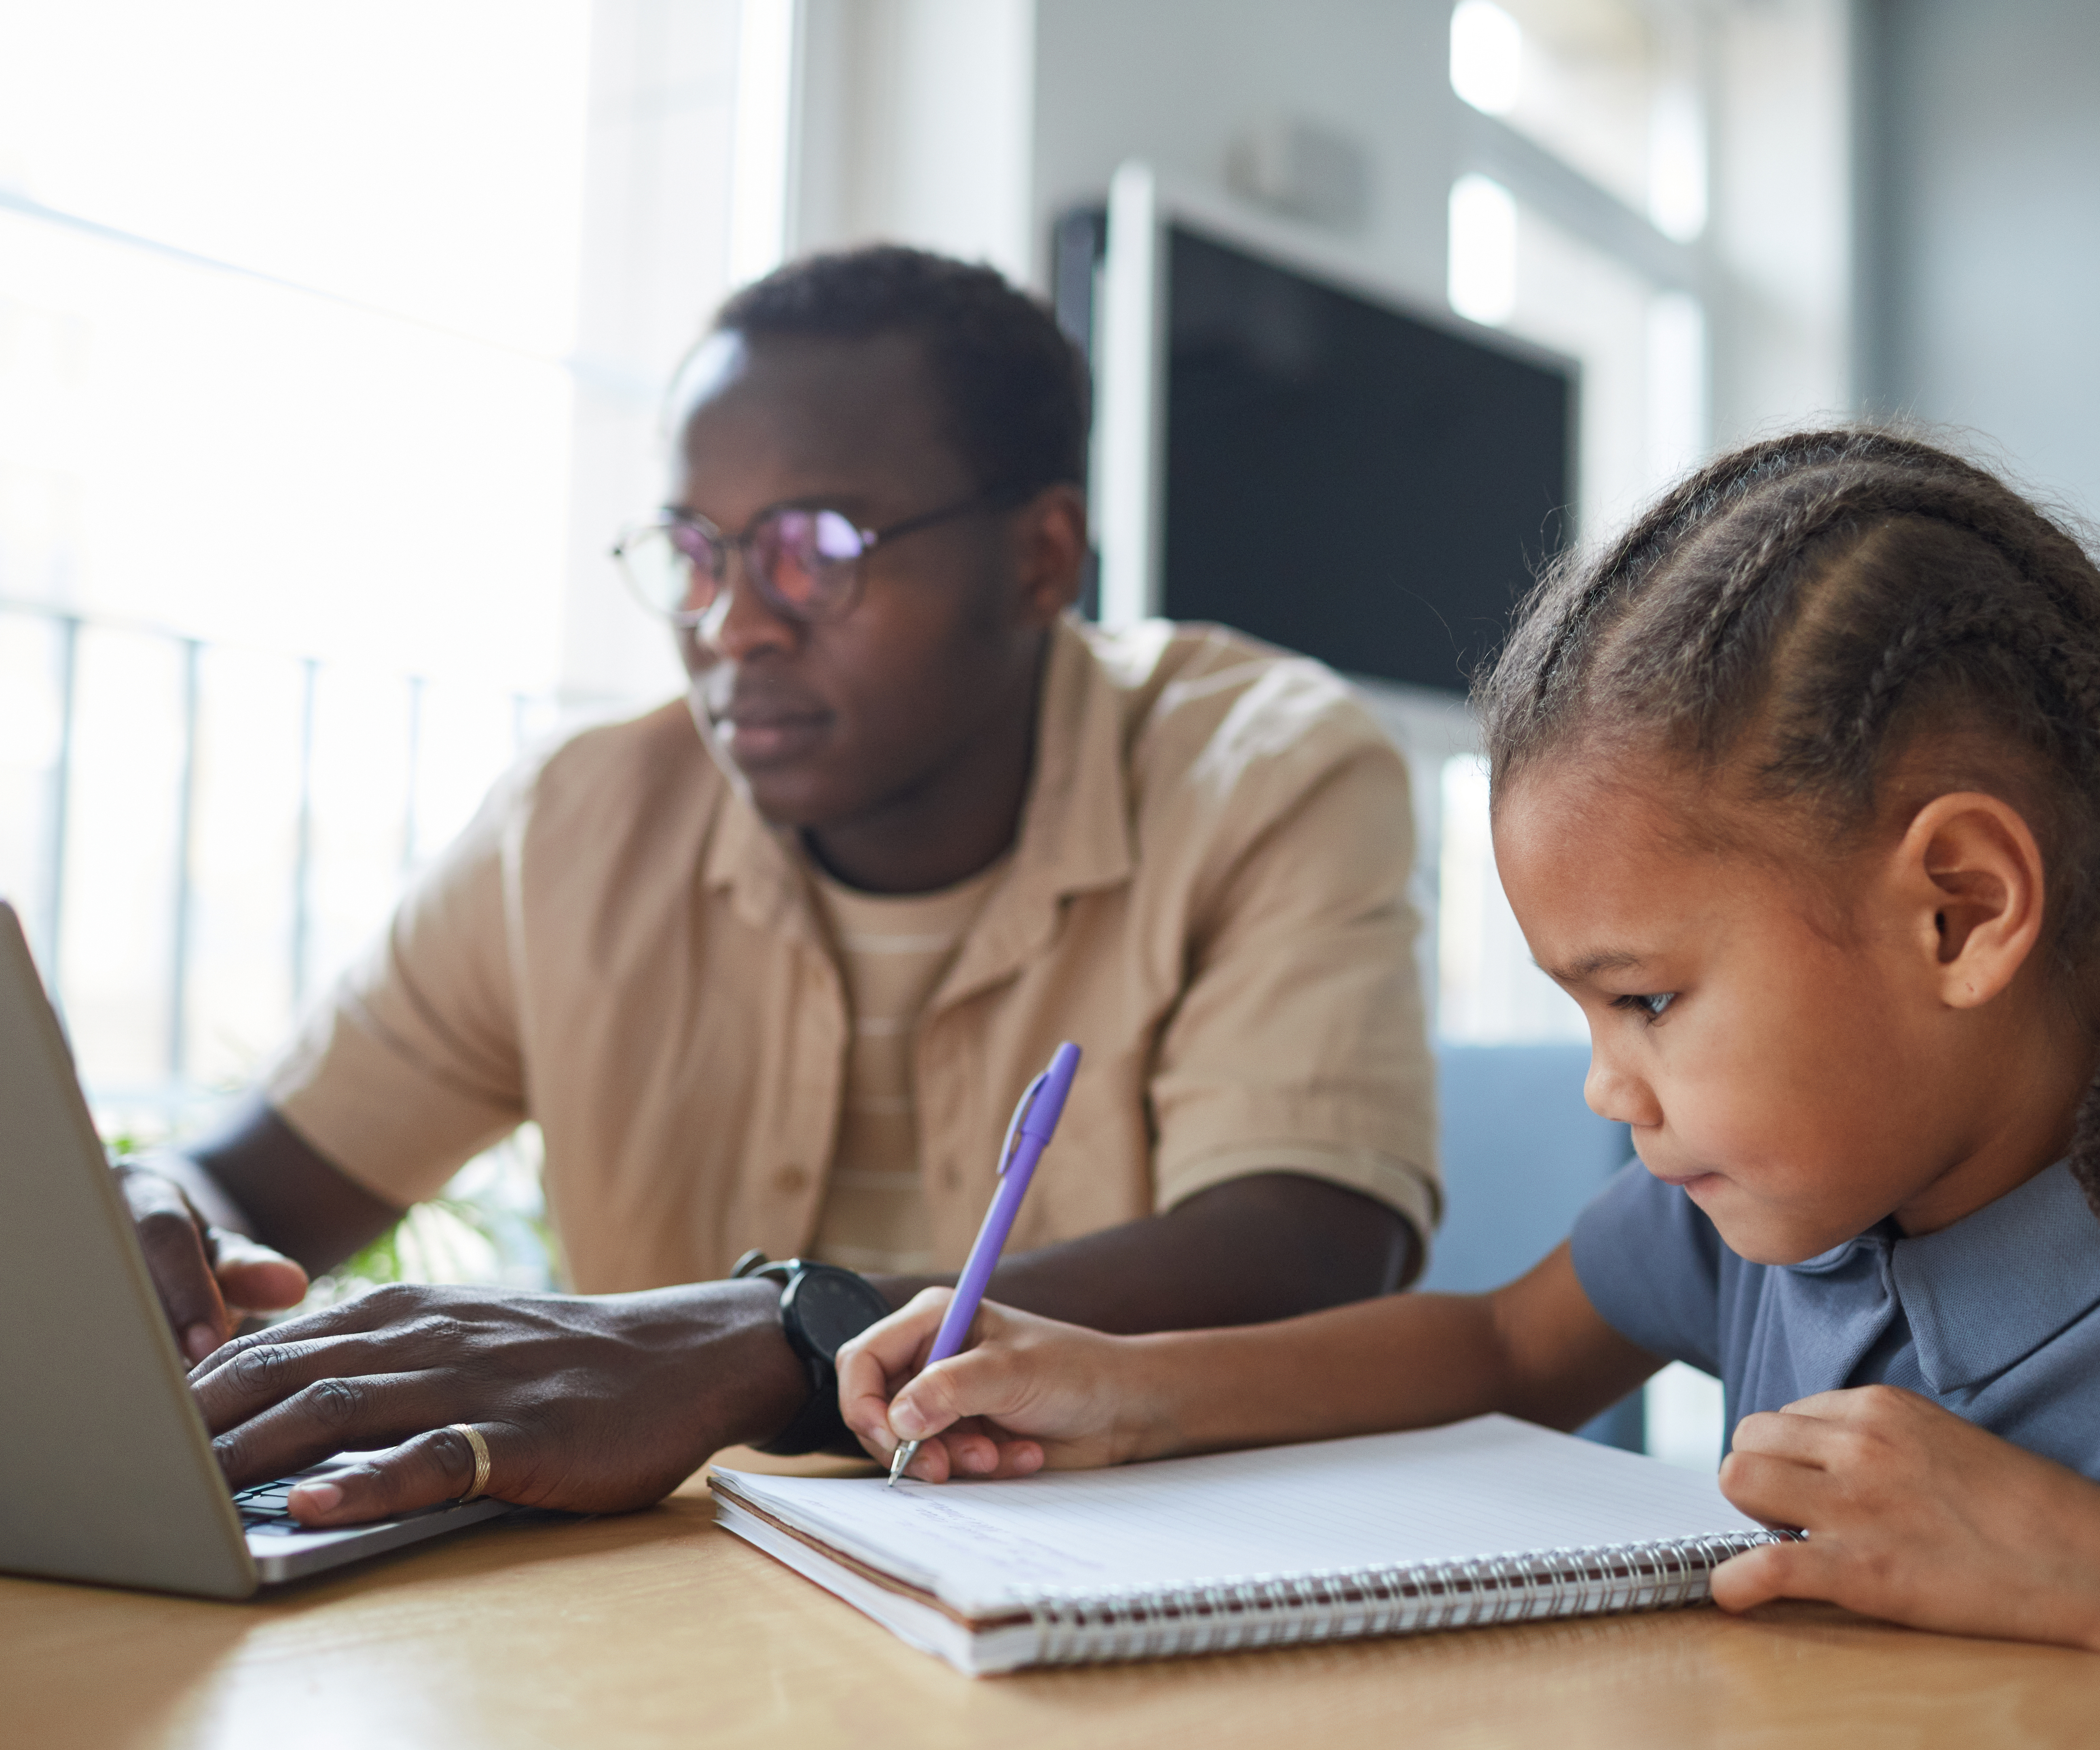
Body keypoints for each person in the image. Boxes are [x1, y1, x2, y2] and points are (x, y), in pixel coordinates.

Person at [835, 431, 2100, 1750]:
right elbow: (1500, 1347)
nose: (1601, 1083)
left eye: (1644, 1000)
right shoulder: (1810, 1188)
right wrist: (1122, 1389)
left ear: (1961, 909)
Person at [119, 246, 1438, 1529]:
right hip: (678, 1620)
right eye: (699, 552)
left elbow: (1308, 1248)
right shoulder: (574, 827)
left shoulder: (1265, 768)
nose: (734, 625)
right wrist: (161, 1223)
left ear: (1041, 559)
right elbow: (254, 1186)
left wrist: (781, 1337)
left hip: (1130, 1583)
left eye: (812, 548)